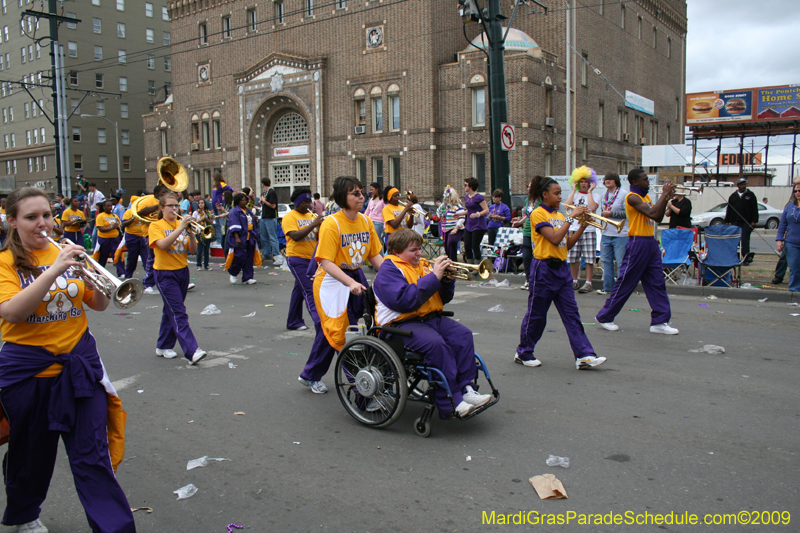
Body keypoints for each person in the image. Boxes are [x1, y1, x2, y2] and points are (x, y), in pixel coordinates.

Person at [0, 187, 136, 533]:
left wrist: (98, 274)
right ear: (13, 221)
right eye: (31, 217)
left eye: (46, 215)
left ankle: (114, 528)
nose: (42, 223)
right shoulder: (4, 262)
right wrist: (53, 270)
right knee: (31, 454)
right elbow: (12, 312)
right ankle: (25, 513)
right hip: (29, 372)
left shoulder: (66, 252)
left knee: (93, 456)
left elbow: (100, 304)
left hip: (79, 366)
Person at [373, 229, 492, 418]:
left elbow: (442, 298)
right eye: (413, 250)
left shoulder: (422, 266)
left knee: (463, 336)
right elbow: (405, 301)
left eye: (419, 249)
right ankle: (451, 401)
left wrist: (446, 281)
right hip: (400, 325)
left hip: (430, 319)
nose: (419, 254)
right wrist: (434, 276)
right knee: (436, 345)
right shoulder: (388, 271)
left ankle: (467, 389)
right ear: (396, 250)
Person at [299, 177, 383, 394]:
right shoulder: (331, 223)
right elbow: (325, 262)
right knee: (340, 332)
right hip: (330, 280)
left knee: (339, 331)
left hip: (353, 277)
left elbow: (374, 255)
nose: (361, 196)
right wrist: (350, 282)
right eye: (355, 193)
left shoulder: (365, 221)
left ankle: (310, 374)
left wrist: (393, 275)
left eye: (362, 192)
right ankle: (361, 387)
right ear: (341, 197)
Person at [514, 177, 607, 370]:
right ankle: (524, 352)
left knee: (572, 314)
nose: (560, 197)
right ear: (544, 194)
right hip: (543, 269)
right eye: (556, 193)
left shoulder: (560, 214)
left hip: (562, 269)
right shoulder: (538, 214)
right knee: (537, 315)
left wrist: (583, 225)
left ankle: (584, 355)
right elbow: (554, 239)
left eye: (560, 193)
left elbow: (567, 244)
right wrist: (571, 217)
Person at [595, 169, 678, 335]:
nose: (648, 182)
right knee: (626, 282)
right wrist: (664, 195)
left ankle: (660, 321)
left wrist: (666, 198)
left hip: (650, 242)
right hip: (637, 243)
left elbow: (658, 218)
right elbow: (653, 213)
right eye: (644, 180)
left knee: (657, 283)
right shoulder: (632, 197)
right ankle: (605, 316)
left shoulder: (646, 197)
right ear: (634, 182)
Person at [149, 192, 207, 363]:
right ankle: (192, 350)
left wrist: (190, 234)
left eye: (176, 205)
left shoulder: (181, 224)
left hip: (182, 272)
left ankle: (163, 345)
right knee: (179, 312)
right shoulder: (156, 226)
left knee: (171, 310)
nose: (175, 209)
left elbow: (193, 251)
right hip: (165, 273)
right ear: (161, 208)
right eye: (170, 206)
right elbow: (162, 245)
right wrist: (181, 227)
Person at [282, 187, 324, 332]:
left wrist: (323, 227)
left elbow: (318, 238)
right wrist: (313, 225)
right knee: (309, 290)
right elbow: (295, 236)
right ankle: (320, 323)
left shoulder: (312, 216)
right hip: (296, 258)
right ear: (297, 203)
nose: (309, 205)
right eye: (305, 202)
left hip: (312, 259)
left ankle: (293, 321)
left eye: (310, 202)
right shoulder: (290, 217)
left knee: (299, 290)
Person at [565, 166, 600, 293]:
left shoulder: (595, 195)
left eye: (586, 181)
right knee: (573, 257)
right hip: (575, 228)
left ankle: (588, 282)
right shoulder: (575, 194)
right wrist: (573, 191)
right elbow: (568, 207)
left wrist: (590, 192)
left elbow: (592, 207)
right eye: (582, 181)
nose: (584, 184)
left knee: (589, 257)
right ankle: (574, 281)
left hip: (589, 229)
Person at [597, 172, 628, 295]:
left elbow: (627, 213)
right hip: (606, 233)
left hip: (620, 234)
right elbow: (603, 212)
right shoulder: (604, 195)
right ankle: (608, 287)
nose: (607, 181)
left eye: (610, 179)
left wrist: (612, 215)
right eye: (606, 179)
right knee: (605, 261)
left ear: (616, 181)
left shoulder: (623, 194)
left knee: (620, 262)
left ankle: (621, 289)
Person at [136, 185, 171, 295]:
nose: (165, 195)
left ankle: (171, 281)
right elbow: (140, 212)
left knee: (169, 258)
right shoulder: (148, 200)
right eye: (162, 193)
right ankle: (148, 284)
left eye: (166, 192)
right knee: (152, 259)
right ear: (156, 194)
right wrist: (158, 206)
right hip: (151, 233)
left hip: (166, 232)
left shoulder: (168, 202)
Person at [225, 192, 261, 285]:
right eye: (242, 200)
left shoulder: (247, 210)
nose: (244, 201)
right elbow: (233, 224)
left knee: (249, 257)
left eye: (245, 200)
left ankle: (247, 277)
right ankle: (233, 273)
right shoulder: (234, 211)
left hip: (250, 237)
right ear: (238, 201)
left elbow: (251, 221)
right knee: (240, 256)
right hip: (241, 237)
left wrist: (254, 220)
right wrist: (237, 238)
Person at [724, 177, 759, 265]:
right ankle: (735, 257)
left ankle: (746, 258)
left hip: (746, 221)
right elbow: (729, 209)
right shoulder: (733, 196)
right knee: (734, 240)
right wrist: (727, 220)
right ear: (738, 185)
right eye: (742, 184)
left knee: (744, 239)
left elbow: (755, 208)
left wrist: (754, 221)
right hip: (735, 221)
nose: (743, 186)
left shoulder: (750, 195)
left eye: (744, 184)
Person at [512, 178, 537, 291]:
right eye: (528, 187)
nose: (528, 189)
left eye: (531, 187)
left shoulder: (540, 201)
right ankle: (528, 279)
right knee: (526, 257)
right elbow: (527, 215)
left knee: (536, 258)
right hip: (527, 231)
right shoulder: (528, 201)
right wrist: (519, 222)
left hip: (536, 232)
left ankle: (535, 280)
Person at [775, 183, 800, 292]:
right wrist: (779, 240)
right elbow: (783, 225)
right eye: (796, 191)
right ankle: (794, 291)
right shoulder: (790, 207)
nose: (798, 193)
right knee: (794, 268)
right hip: (791, 242)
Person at [462, 177, 489, 264]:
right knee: (467, 245)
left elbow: (486, 210)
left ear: (471, 186)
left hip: (478, 224)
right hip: (469, 224)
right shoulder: (466, 197)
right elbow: (469, 211)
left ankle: (478, 265)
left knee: (475, 246)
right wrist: (458, 214)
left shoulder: (479, 197)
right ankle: (470, 265)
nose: (464, 186)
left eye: (465, 185)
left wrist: (477, 214)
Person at [93, 199, 122, 271]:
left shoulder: (115, 216)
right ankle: (99, 271)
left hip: (115, 239)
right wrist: (112, 227)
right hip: (104, 239)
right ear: (103, 207)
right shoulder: (100, 216)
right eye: (108, 206)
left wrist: (118, 227)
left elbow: (119, 227)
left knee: (117, 256)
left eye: (111, 206)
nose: (110, 207)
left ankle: (121, 272)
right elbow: (101, 228)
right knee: (103, 256)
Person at [259, 177, 280, 262]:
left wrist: (264, 201)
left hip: (270, 217)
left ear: (263, 183)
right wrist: (261, 203)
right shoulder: (266, 193)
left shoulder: (272, 192)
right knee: (264, 237)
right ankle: (266, 254)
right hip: (264, 217)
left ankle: (276, 254)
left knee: (272, 236)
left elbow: (273, 205)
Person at [211, 172, 233, 246]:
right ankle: (218, 240)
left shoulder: (221, 184)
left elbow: (231, 189)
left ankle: (222, 241)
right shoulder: (215, 186)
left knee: (221, 224)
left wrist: (222, 200)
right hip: (215, 207)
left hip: (220, 206)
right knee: (217, 224)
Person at [192, 200, 213, 270]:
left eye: (202, 203)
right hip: (199, 232)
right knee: (199, 249)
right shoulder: (195, 213)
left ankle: (206, 265)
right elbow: (193, 223)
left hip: (206, 231)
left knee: (206, 250)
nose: (201, 204)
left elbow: (211, 222)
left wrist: (206, 218)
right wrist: (201, 219)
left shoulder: (207, 212)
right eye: (199, 203)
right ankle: (199, 265)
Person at [84, 183, 106, 249]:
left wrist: (100, 206)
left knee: (97, 226)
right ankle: (93, 242)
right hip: (92, 210)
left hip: (97, 209)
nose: (90, 188)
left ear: (94, 187)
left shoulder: (99, 193)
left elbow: (104, 199)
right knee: (91, 224)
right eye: (89, 187)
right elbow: (89, 201)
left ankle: (95, 244)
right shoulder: (89, 194)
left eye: (91, 187)